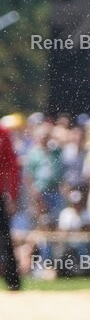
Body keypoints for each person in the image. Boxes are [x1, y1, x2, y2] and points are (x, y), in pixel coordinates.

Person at [0, 121, 22, 290]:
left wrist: (13, 195)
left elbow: (11, 165)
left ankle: (13, 281)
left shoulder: (2, 132)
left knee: (5, 239)